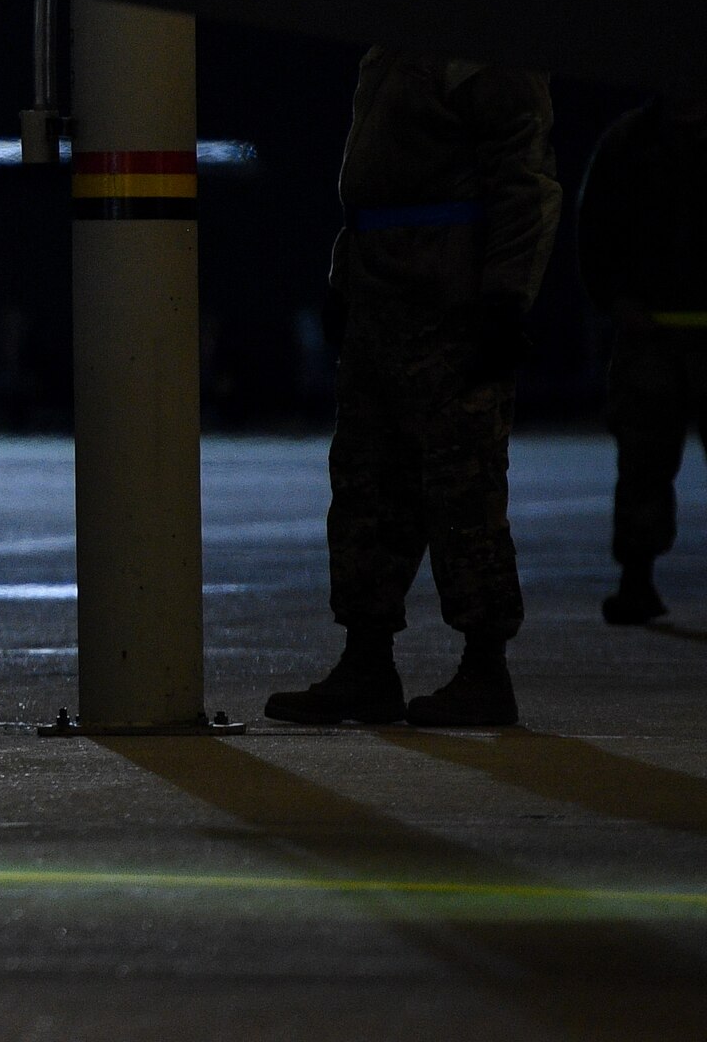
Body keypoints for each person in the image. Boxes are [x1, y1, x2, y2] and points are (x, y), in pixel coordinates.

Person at [265, 50, 560, 729]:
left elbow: (524, 179)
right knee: (367, 484)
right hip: (380, 292)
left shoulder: (490, 47)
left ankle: (485, 669)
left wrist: (506, 299)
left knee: (464, 484)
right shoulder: (390, 45)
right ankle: (366, 663)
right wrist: (346, 276)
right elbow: (367, 185)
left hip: (450, 298)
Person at [576, 85, 707, 625]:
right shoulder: (627, 142)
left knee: (642, 461)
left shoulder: (629, 140)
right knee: (642, 461)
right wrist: (615, 298)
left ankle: (636, 581)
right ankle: (636, 580)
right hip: (649, 331)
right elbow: (594, 228)